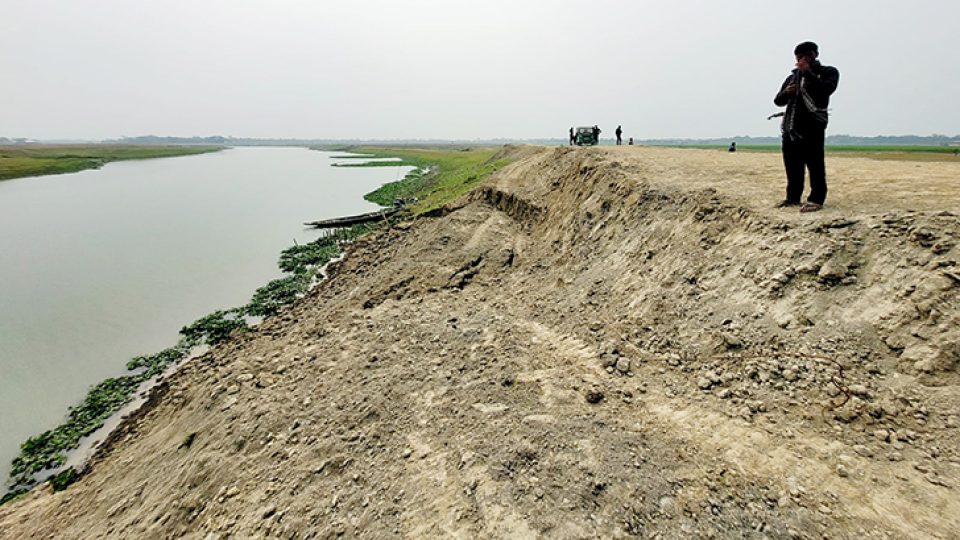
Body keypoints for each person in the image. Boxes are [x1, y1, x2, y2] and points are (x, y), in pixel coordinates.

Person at [773, 41, 839, 213]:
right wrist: (787, 93)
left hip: (813, 127)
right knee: (792, 165)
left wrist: (808, 74)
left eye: (805, 56)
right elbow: (778, 101)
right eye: (798, 57)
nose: (801, 60)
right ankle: (793, 197)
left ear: (814, 55)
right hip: (791, 128)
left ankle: (816, 199)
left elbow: (826, 90)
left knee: (815, 164)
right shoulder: (792, 77)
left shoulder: (828, 72)